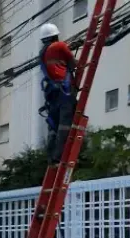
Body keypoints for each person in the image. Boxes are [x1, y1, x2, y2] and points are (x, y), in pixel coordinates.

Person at [38, 23, 77, 164]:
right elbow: (73, 64)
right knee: (65, 124)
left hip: (51, 93)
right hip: (64, 91)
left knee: (54, 124)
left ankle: (51, 155)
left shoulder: (42, 53)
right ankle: (59, 155)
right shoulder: (60, 46)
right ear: (56, 35)